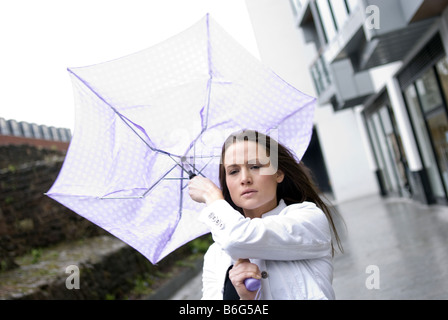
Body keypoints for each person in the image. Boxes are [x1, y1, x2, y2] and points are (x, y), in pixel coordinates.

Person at [188, 130, 343, 300]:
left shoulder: (308, 218)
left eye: (255, 166)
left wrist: (212, 196)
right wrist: (247, 299)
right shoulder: (216, 255)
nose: (245, 178)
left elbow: (238, 238)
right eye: (233, 171)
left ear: (278, 173)